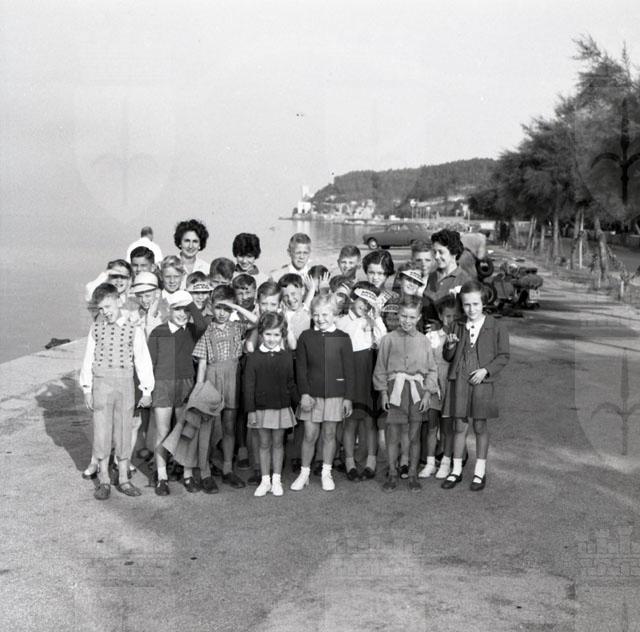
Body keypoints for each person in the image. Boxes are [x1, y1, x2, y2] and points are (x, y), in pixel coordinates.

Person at [79, 283, 154, 500]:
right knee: (101, 431)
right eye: (101, 308)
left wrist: (147, 389)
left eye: (108, 306)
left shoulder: (133, 328)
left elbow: (142, 359)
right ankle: (104, 480)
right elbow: (88, 359)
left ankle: (123, 478)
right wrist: (87, 388)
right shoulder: (96, 328)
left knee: (124, 430)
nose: (105, 312)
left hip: (125, 384)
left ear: (118, 301)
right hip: (101, 384)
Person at [441, 280, 510, 492]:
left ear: (483, 303)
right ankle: (456, 470)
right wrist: (450, 345)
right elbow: (448, 356)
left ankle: (480, 471)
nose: (471, 309)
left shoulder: (496, 326)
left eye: (475, 304)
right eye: (466, 305)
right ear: (461, 305)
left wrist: (486, 370)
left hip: (482, 381)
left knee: (480, 426)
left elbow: (503, 356)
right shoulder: (457, 325)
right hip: (459, 380)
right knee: (459, 426)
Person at [193, 285, 258, 489]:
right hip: (212, 377)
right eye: (218, 308)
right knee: (208, 427)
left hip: (232, 377)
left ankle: (228, 469)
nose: (222, 313)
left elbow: (257, 321)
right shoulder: (207, 329)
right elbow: (202, 362)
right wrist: (199, 389)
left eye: (226, 309)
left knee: (229, 426)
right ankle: (205, 471)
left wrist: (235, 307)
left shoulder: (237, 326)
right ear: (211, 306)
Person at [290, 292, 355, 492]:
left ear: (335, 315)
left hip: (335, 394)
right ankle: (304, 473)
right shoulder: (306, 336)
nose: (320, 319)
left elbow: (349, 370)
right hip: (311, 395)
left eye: (325, 314)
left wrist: (348, 398)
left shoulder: (342, 338)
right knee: (310, 435)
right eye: (316, 315)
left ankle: (327, 472)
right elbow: (301, 368)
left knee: (329, 434)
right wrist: (304, 394)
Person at [373, 296, 438, 492]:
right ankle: (392, 473)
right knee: (393, 435)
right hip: (395, 391)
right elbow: (380, 368)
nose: (407, 321)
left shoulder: (424, 341)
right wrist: (383, 393)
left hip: (416, 392)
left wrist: (427, 394)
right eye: (403, 316)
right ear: (397, 315)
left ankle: (412, 474)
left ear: (418, 317)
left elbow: (432, 370)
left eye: (411, 317)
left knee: (414, 436)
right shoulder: (388, 339)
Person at [147, 290, 208, 496]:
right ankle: (162, 476)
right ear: (169, 310)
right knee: (163, 431)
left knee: (184, 431)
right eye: (177, 309)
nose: (182, 314)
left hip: (186, 383)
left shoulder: (192, 330)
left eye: (186, 310)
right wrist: (147, 389)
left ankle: (187, 474)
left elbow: (202, 324)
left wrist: (190, 304)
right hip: (162, 384)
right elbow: (150, 362)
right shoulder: (159, 332)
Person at [243, 312, 298, 497]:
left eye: (276, 334)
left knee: (278, 443)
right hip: (260, 408)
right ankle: (265, 480)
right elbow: (248, 386)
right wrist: (251, 410)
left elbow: (290, 382)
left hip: (281, 407)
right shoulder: (253, 357)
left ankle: (276, 479)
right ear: (261, 334)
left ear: (282, 335)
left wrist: (299, 403)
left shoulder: (286, 356)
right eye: (268, 334)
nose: (272, 339)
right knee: (264, 444)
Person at [336, 282, 386, 481]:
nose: (365, 306)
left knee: (369, 420)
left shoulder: (374, 320)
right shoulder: (342, 321)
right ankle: (349, 462)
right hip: (350, 372)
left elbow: (382, 342)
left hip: (369, 370)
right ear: (353, 299)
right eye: (362, 301)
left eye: (369, 303)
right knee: (350, 420)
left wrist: (376, 319)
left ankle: (371, 461)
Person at [419, 295, 458, 479]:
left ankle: (446, 463)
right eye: (448, 316)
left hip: (451, 387)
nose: (451, 320)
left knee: (447, 427)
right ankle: (430, 463)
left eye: (455, 316)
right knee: (432, 426)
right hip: (434, 386)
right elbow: (427, 363)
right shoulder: (432, 337)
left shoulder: (460, 337)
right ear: (441, 316)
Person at [423, 229, 471, 322]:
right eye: (434, 252)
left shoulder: (465, 280)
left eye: (441, 252)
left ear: (454, 253)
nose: (436, 257)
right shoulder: (432, 276)